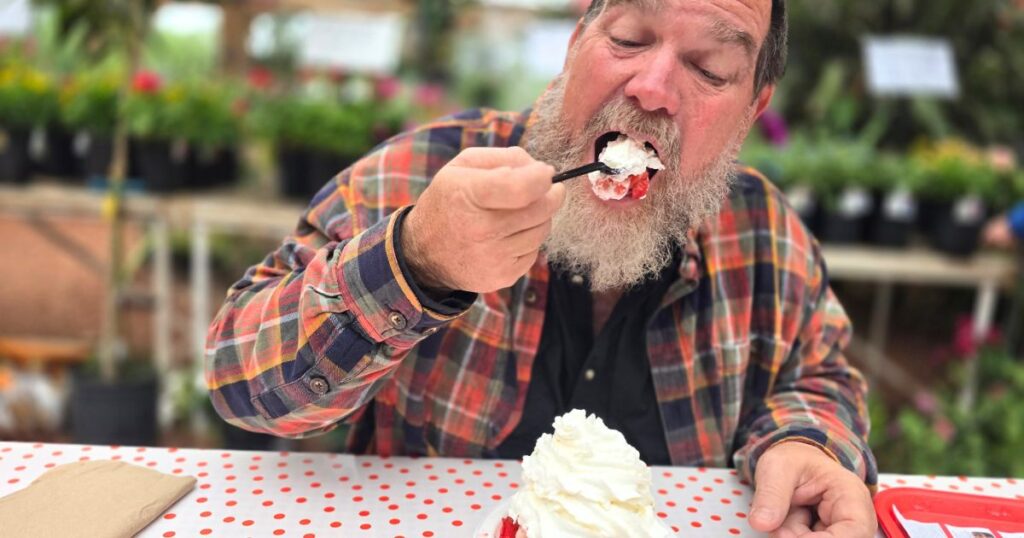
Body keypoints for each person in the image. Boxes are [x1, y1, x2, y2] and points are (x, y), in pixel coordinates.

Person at [205, 1, 877, 536]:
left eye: (708, 68)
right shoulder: (421, 174)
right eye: (630, 38)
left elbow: (820, 374)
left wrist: (806, 442)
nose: (652, 89)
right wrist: (414, 261)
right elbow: (240, 383)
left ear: (752, 110)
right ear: (575, 43)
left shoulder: (763, 236)